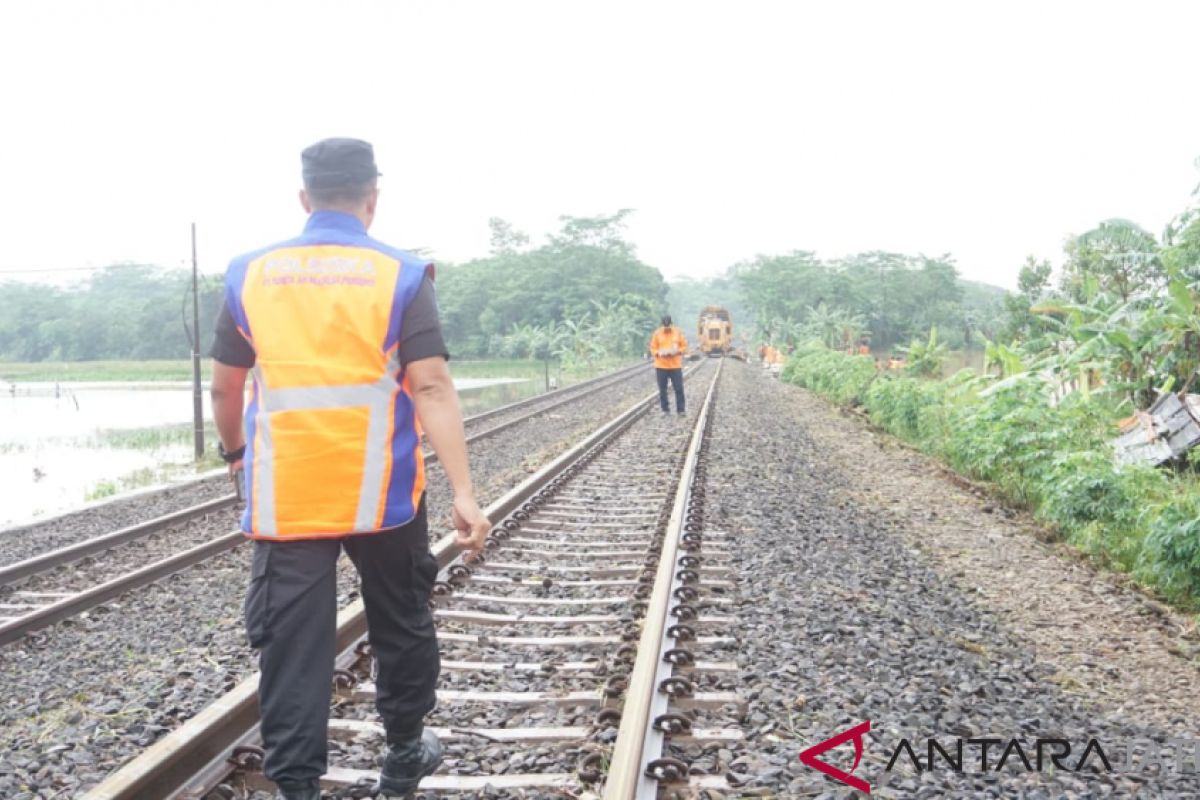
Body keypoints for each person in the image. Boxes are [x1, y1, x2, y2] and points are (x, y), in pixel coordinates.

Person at [209, 138, 491, 800]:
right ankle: (401, 757)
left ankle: (298, 786)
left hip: (288, 497)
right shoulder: (399, 275)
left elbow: (225, 391)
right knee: (400, 618)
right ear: (372, 200)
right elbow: (431, 388)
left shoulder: (250, 274)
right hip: (384, 493)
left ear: (304, 199)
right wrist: (466, 494)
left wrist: (236, 458)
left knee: (292, 643)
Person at [648, 314, 687, 415]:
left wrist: (677, 351)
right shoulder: (657, 333)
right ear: (662, 324)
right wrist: (658, 353)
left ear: (671, 323)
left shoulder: (677, 332)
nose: (667, 327)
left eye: (668, 325)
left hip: (675, 365)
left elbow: (684, 346)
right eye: (665, 326)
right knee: (662, 389)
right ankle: (665, 410)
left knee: (679, 388)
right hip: (661, 365)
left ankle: (681, 410)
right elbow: (653, 347)